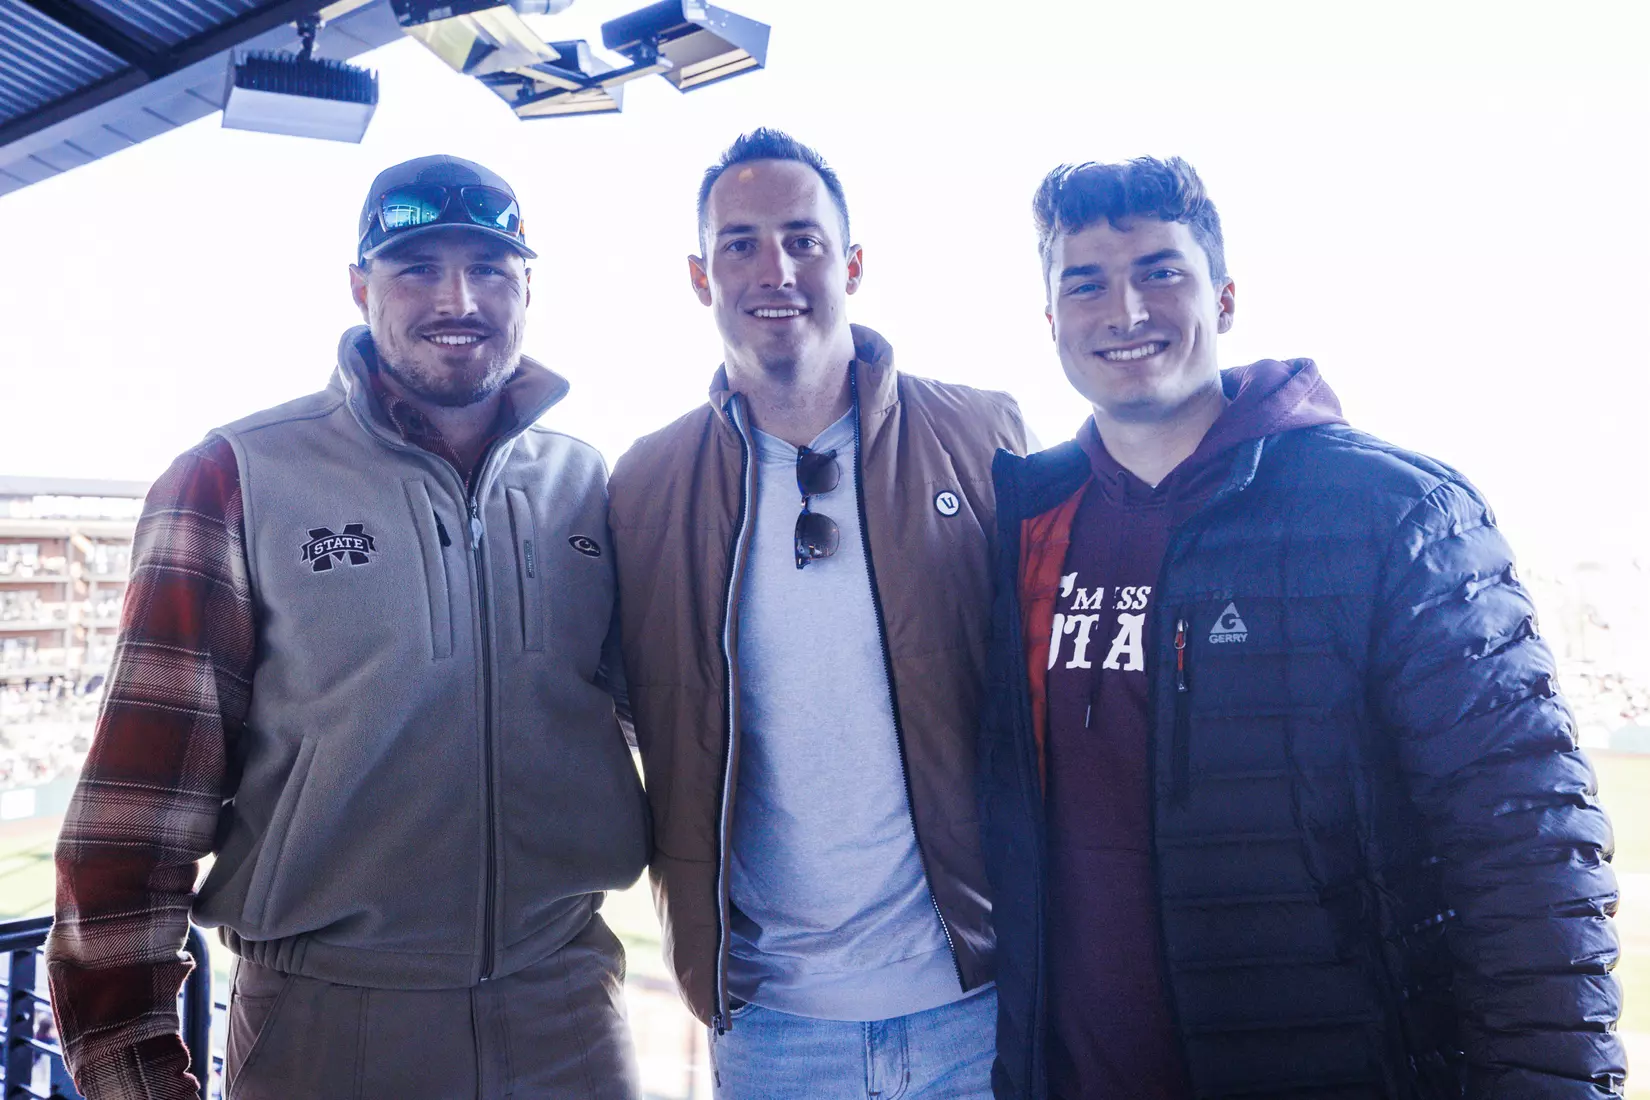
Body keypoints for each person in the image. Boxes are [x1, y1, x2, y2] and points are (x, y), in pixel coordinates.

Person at [978, 155, 1626, 1098]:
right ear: (1051, 321)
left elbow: (1526, 845)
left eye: (1161, 270)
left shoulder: (1391, 511)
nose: (1124, 310)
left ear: (1226, 297)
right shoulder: (1025, 520)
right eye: (1086, 283)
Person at [47, 154, 649, 1100]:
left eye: (491, 268)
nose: (459, 296)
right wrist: (132, 1068)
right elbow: (136, 803)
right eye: (417, 266)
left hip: (568, 1005)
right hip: (329, 1023)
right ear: (359, 286)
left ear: (528, 287)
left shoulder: (588, 483)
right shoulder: (234, 478)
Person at [606, 129, 1030, 1099]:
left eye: (802, 238)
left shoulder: (982, 434)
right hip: (774, 1024)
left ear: (853, 261)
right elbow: (639, 708)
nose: (775, 268)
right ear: (699, 275)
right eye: (740, 243)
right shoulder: (647, 484)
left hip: (976, 1000)